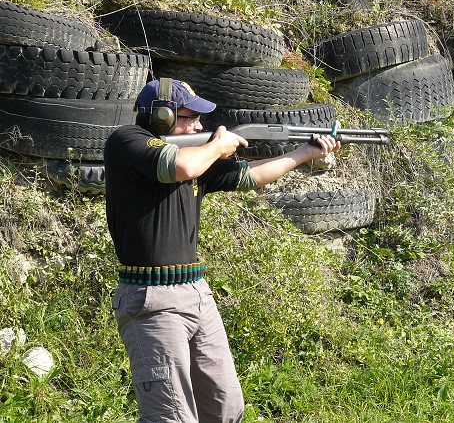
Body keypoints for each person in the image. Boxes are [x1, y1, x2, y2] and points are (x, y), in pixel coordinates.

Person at [104, 78, 340, 423]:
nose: (199, 126)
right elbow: (182, 167)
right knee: (170, 417)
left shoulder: (197, 156)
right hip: (151, 300)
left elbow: (251, 175)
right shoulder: (127, 142)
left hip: (197, 293)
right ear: (162, 117)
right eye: (189, 118)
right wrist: (218, 145)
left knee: (225, 410)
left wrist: (305, 153)